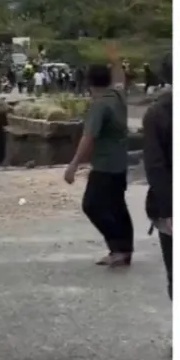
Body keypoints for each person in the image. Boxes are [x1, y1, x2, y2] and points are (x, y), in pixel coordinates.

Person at [64, 47, 133, 267]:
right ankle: (124, 250)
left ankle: (116, 248)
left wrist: (73, 166)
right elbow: (121, 78)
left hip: (105, 166)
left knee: (92, 205)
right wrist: (116, 61)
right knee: (116, 206)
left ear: (88, 83)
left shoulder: (100, 105)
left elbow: (88, 138)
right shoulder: (118, 96)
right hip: (120, 164)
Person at [141, 59, 173, 297]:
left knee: (176, 274)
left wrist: (167, 209)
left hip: (168, 206)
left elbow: (155, 166)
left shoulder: (156, 114)